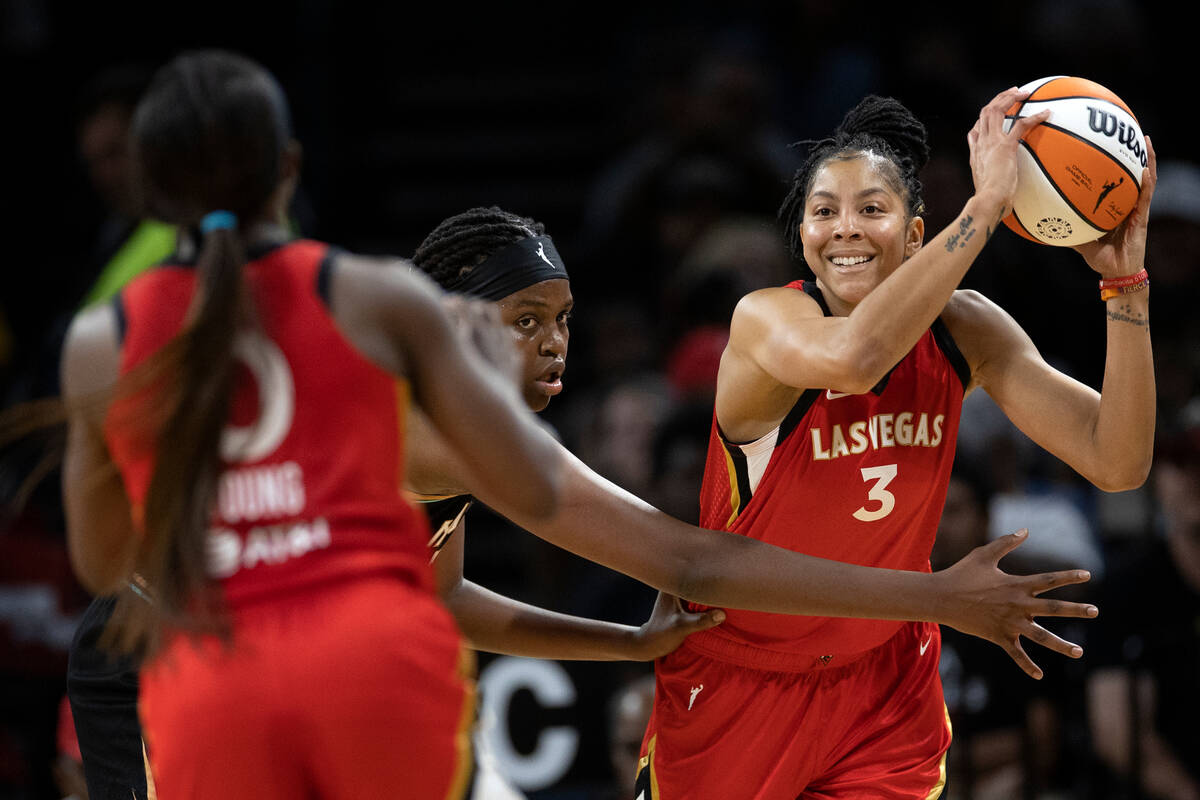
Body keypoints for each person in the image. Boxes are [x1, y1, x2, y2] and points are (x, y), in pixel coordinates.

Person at [57, 49, 565, 800]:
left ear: (151, 187)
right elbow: (536, 486)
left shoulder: (102, 342)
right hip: (373, 667)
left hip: (213, 682)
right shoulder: (380, 297)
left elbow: (102, 565)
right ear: (288, 167)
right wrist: (487, 380)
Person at [636, 88, 1156, 799]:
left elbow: (1117, 460)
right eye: (825, 212)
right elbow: (857, 358)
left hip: (886, 679)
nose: (844, 228)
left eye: (871, 209)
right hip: (741, 680)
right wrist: (986, 207)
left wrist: (1125, 285)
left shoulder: (966, 329)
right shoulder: (768, 320)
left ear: (915, 237)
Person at [403, 206, 1096, 671]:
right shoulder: (456, 429)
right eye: (526, 321)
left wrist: (634, 645)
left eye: (561, 319)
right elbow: (689, 564)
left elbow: (447, 599)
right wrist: (936, 598)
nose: (555, 343)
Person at [1086, 418, 1200, 800]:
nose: (1193, 479)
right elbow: (1115, 733)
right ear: (1158, 480)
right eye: (1180, 464)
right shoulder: (1126, 588)